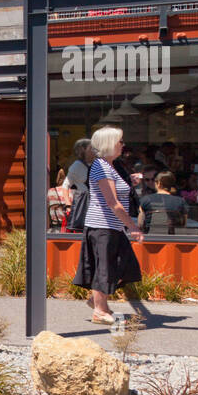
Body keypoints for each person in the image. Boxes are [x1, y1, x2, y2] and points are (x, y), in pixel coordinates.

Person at [73, 126, 144, 326]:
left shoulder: (110, 166)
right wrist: (133, 227)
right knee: (104, 267)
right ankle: (100, 310)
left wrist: (130, 181)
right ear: (109, 144)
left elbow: (115, 193)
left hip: (112, 227)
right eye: (119, 141)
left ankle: (98, 301)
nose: (123, 145)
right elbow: (113, 203)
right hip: (102, 226)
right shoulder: (100, 167)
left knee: (124, 266)